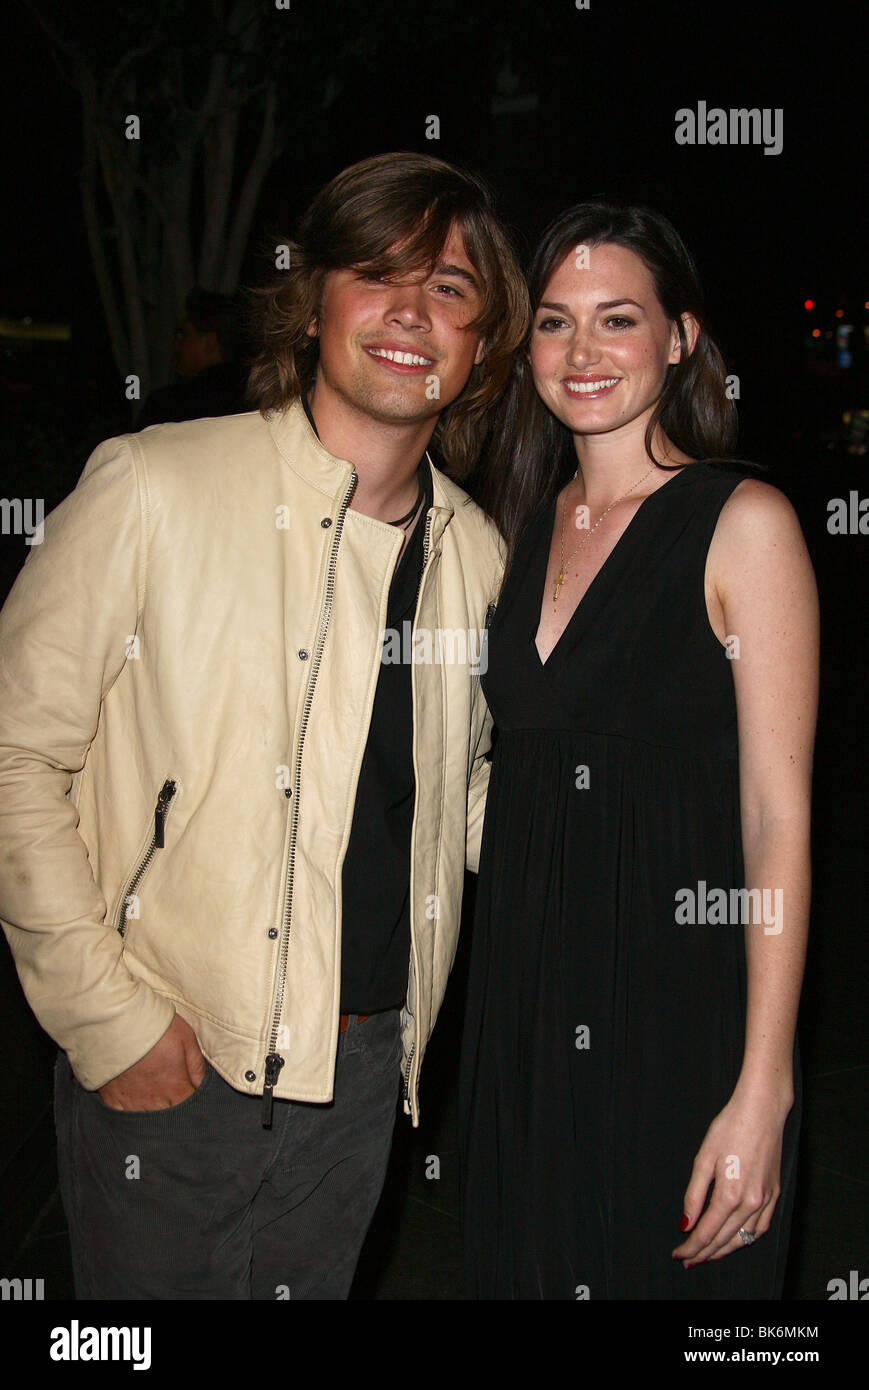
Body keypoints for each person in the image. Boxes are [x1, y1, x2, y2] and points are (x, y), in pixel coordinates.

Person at [0, 152, 528, 1299]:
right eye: (375, 272)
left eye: (447, 287)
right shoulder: (154, 486)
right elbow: (14, 757)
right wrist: (107, 1016)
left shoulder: (478, 558)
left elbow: (471, 802)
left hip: (364, 1067)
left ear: (481, 343)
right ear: (315, 301)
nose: (408, 310)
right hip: (176, 1051)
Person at [459, 202, 818, 1299]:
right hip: (520, 1011)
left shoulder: (740, 520)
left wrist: (762, 1086)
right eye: (555, 323)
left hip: (677, 1011)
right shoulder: (515, 524)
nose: (581, 352)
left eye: (616, 319)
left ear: (677, 336)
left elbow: (775, 820)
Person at [137, 285, 248, 426]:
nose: (176, 345)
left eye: (184, 335)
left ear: (210, 343)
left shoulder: (168, 406)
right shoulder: (257, 401)